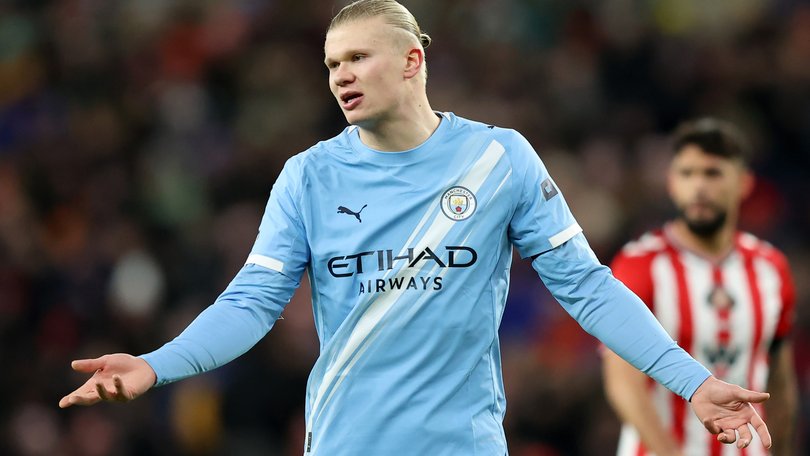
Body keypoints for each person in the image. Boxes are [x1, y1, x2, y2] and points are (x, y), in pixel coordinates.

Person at [60, 2, 773, 454]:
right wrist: (157, 365)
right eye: (331, 63)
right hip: (343, 445)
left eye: (357, 57)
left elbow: (587, 287)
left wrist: (692, 383)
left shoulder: (497, 159)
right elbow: (251, 304)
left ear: (411, 60)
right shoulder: (308, 176)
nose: (340, 75)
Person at [602, 118, 797, 456]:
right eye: (687, 173)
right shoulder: (640, 264)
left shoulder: (771, 268)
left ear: (744, 183)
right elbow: (623, 383)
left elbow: (779, 381)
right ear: (671, 183)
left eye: (712, 173)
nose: (699, 186)